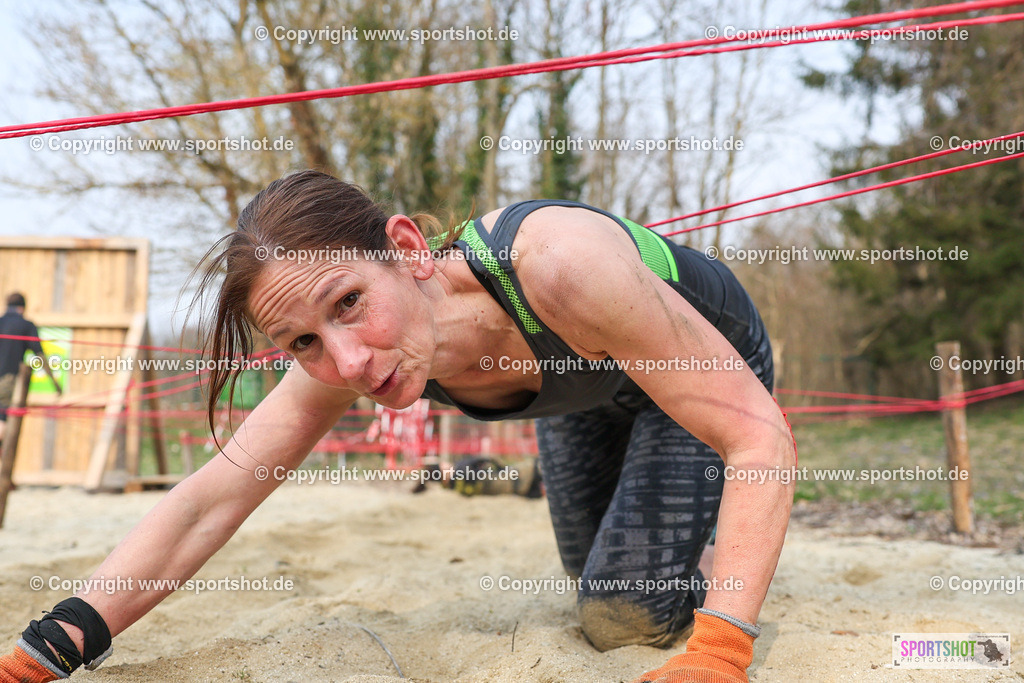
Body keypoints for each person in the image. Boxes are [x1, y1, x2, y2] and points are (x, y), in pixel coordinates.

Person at [0, 171, 796, 683]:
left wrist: (722, 650)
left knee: (622, 613)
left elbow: (759, 436)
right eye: (302, 341)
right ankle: (699, 546)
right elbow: (208, 499)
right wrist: (48, 646)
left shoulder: (559, 266)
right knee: (607, 588)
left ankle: (721, 570)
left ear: (408, 248)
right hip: (585, 393)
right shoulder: (345, 356)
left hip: (694, 352)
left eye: (350, 302)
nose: (348, 361)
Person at [0, 293, 62, 447]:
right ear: (22, 308)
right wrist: (55, 383)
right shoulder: (26, 325)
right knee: (3, 420)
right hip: (7, 382)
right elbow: (39, 355)